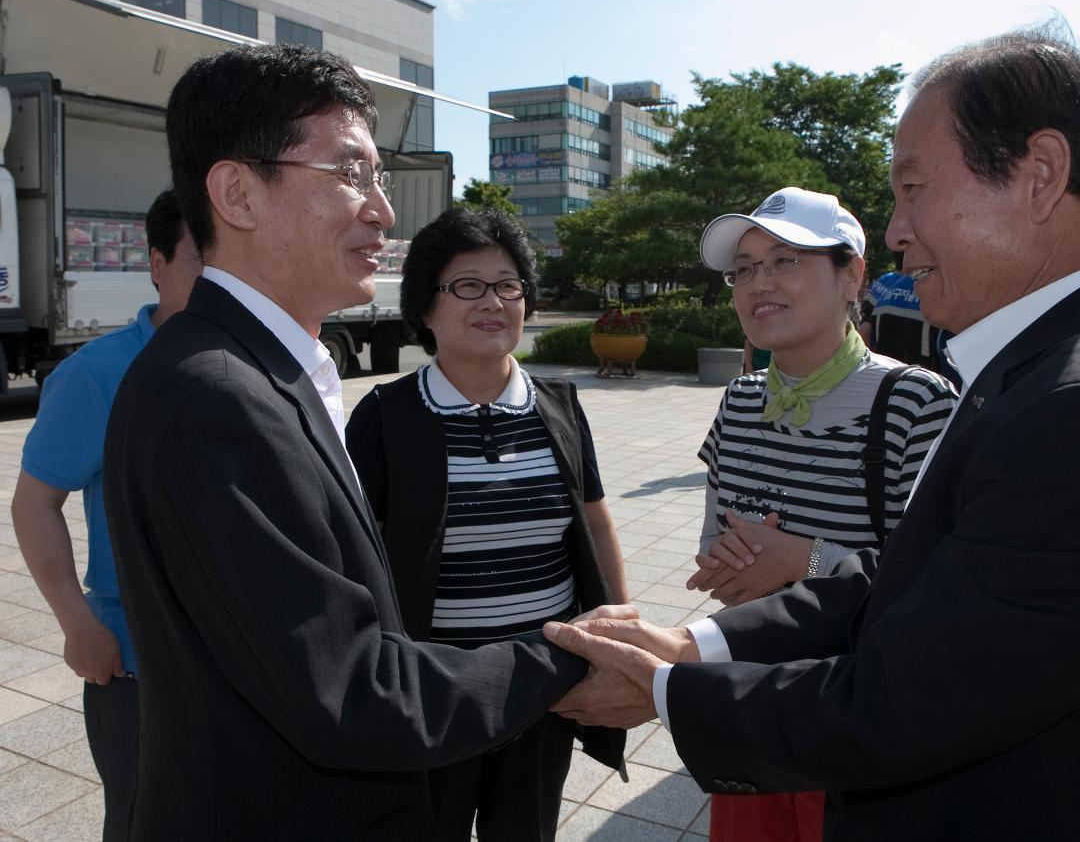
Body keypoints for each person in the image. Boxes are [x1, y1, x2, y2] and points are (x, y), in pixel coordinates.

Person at [541, 27, 1080, 841]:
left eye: (913, 187)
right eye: (744, 266)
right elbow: (921, 580)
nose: (894, 230)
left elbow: (907, 700)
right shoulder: (1049, 372)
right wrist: (694, 641)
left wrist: (664, 688)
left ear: (1040, 174)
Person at [100, 44, 597, 839]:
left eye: (380, 179)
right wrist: (575, 659)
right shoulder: (213, 396)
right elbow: (351, 689)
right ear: (237, 192)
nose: (383, 210)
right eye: (351, 174)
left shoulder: (263, 372)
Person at [345, 206, 628, 841]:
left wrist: (618, 636)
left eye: (508, 284)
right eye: (466, 285)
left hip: (542, 682)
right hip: (435, 685)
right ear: (425, 307)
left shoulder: (559, 406)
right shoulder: (387, 416)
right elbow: (356, 553)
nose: (492, 301)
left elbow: (594, 520)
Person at [690, 186, 956, 840]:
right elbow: (716, 557)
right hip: (752, 700)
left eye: (785, 260)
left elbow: (939, 587)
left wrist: (803, 560)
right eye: (744, 268)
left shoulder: (915, 404)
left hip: (856, 718)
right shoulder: (740, 400)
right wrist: (735, 565)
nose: (759, 283)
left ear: (852, 276)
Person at [10, 189, 202, 842]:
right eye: (202, 262)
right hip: (138, 666)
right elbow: (35, 502)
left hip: (242, 659)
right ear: (156, 261)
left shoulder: (260, 362)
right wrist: (79, 623)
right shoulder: (100, 373)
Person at [860, 269, 938, 369]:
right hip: (925, 375)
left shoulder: (888, 283)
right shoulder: (935, 287)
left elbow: (864, 330)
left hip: (882, 372)